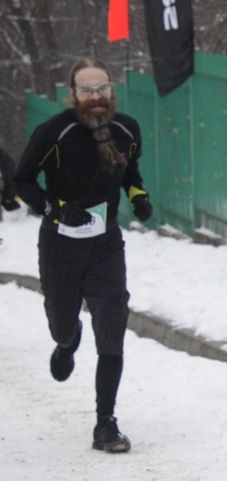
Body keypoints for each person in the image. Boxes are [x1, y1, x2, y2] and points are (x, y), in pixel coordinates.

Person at [14, 57, 153, 454]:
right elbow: (23, 180)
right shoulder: (53, 132)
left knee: (111, 326)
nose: (96, 97)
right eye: (87, 90)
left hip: (105, 245)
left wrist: (138, 197)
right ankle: (67, 340)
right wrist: (56, 209)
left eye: (102, 88)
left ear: (112, 90)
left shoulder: (127, 130)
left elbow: (129, 170)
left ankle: (105, 423)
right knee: (61, 324)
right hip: (60, 245)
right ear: (72, 94)